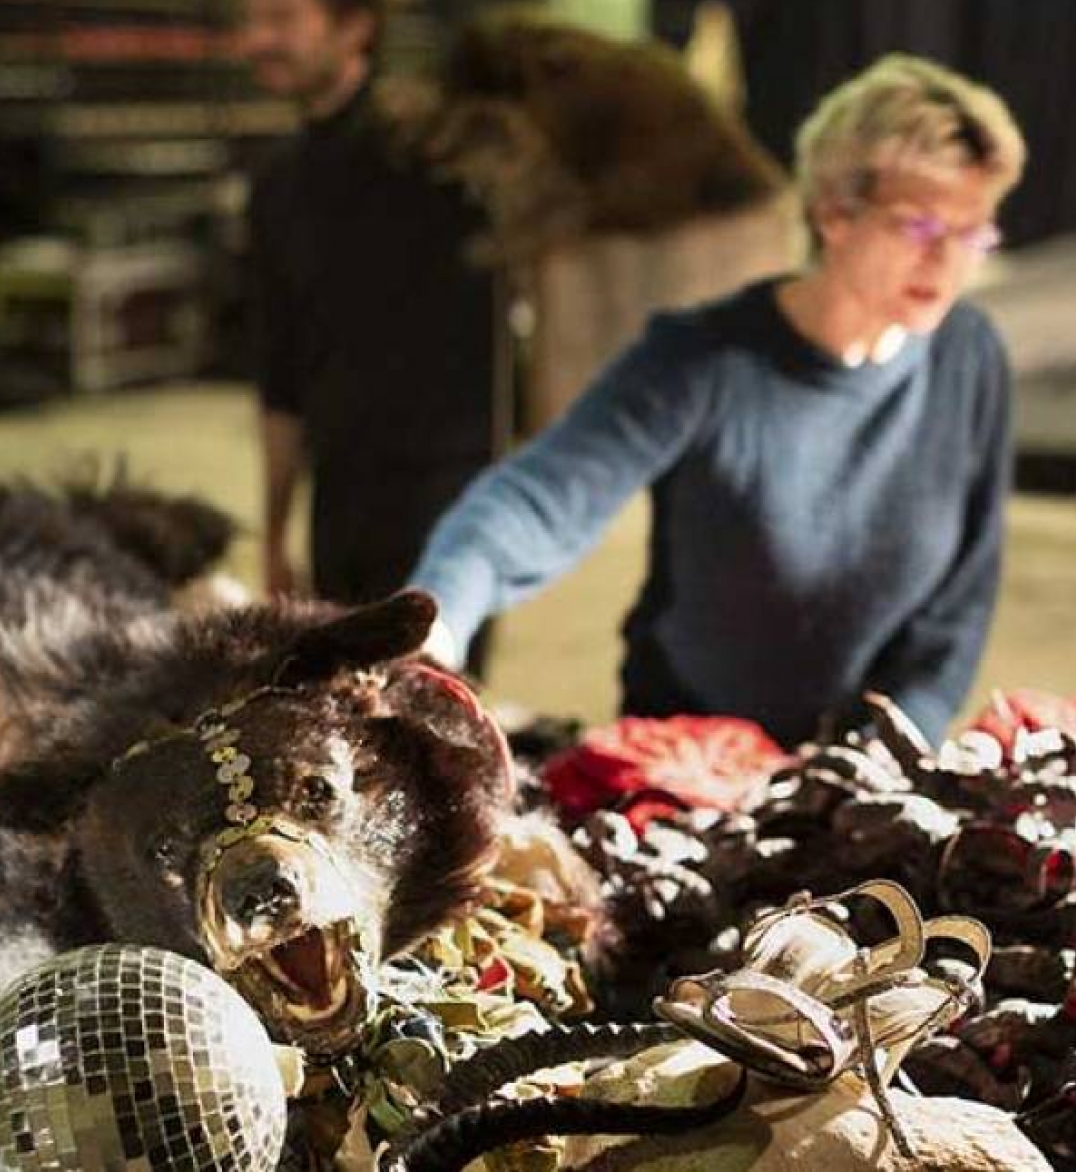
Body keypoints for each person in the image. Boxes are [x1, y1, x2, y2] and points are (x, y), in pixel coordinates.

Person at [410, 54, 1026, 747]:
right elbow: (537, 499)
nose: (947, 262)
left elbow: (956, 611)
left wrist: (876, 763)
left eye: (972, 234)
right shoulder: (701, 361)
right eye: (918, 227)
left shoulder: (969, 359)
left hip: (862, 772)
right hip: (686, 757)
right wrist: (439, 620)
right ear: (833, 211)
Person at [240, 0, 500, 620]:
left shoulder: (436, 158)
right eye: (250, 23)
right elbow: (282, 375)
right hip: (339, 496)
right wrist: (275, 538)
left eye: (279, 19)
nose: (256, 41)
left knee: (437, 697)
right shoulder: (277, 184)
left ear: (354, 27)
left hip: (446, 497)